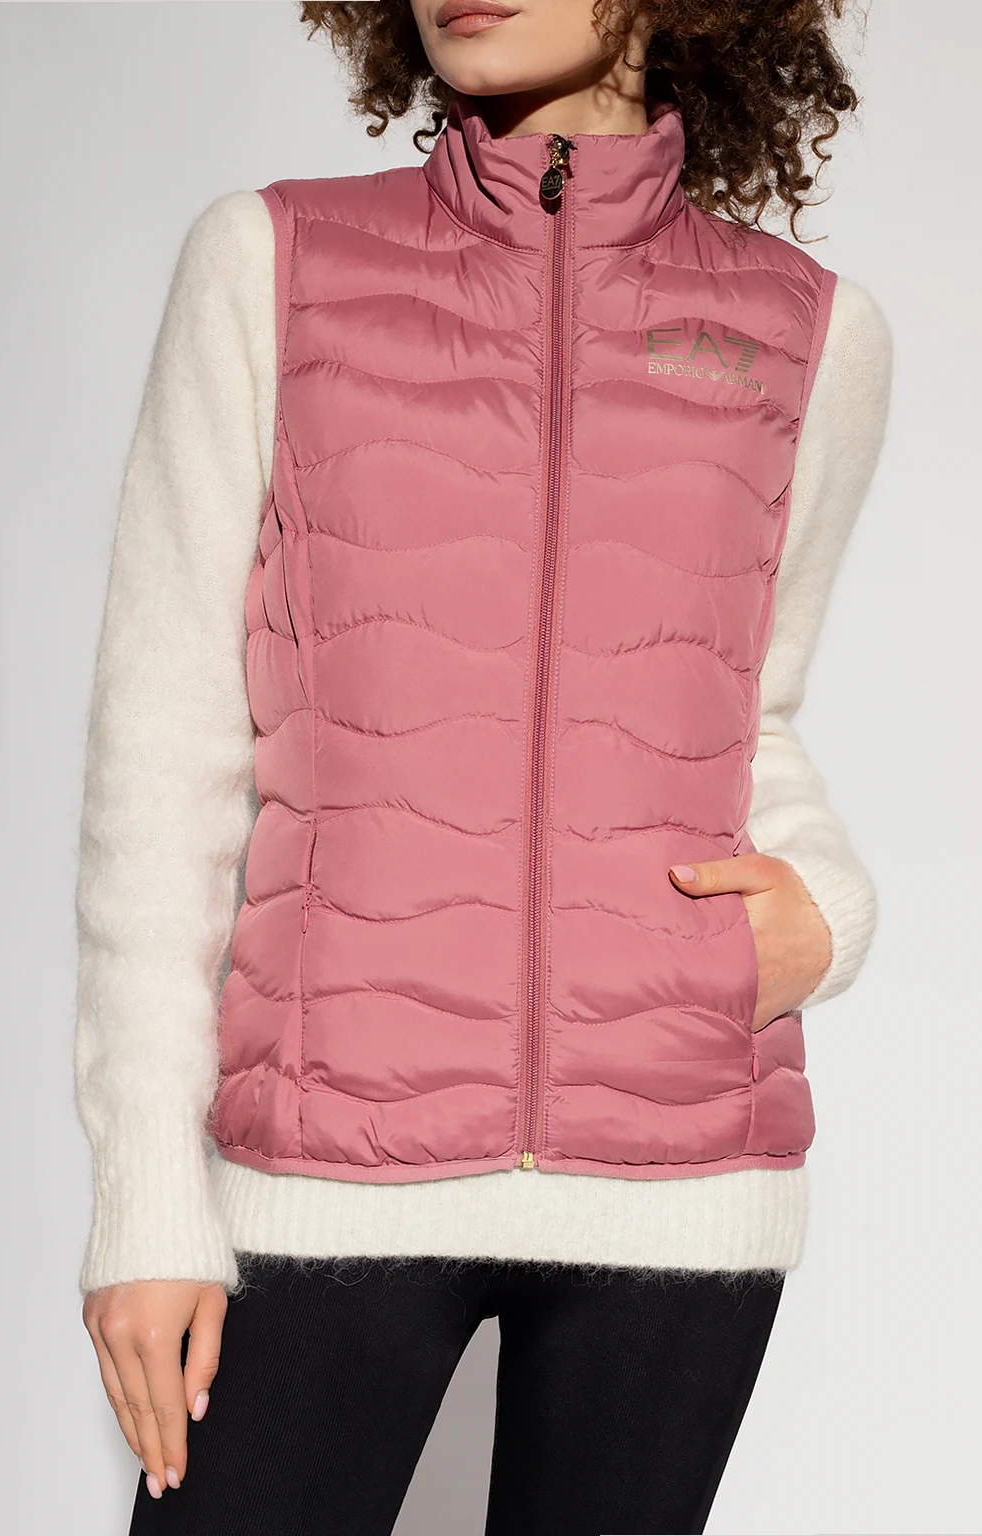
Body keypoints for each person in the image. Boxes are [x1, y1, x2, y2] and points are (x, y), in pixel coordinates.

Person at [73, 2, 892, 1532]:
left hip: (683, 1185)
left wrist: (827, 916)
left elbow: (748, 716)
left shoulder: (810, 334)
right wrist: (148, 1202)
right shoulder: (273, 264)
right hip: (324, 1169)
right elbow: (161, 751)